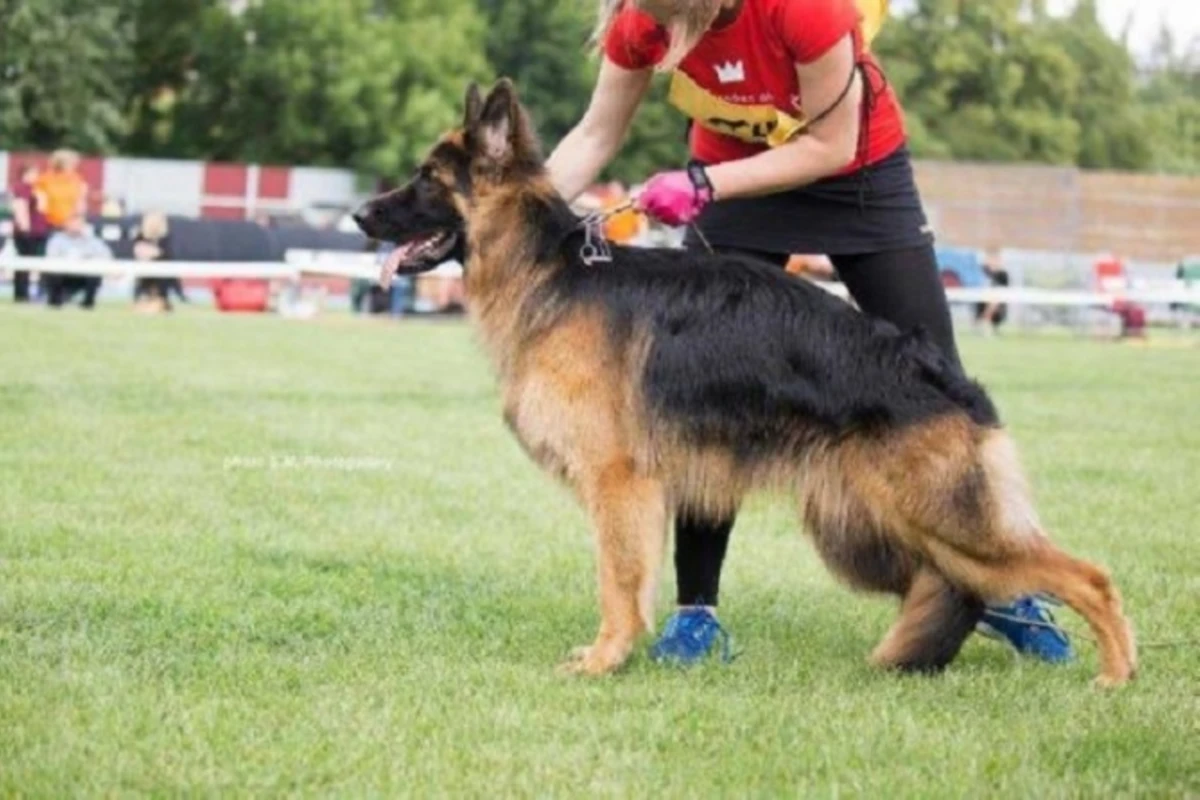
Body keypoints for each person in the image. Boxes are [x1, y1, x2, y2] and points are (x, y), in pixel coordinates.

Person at [544, 0, 1072, 666]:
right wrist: (525, 213)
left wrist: (703, 182)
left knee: (938, 384)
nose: (648, 15)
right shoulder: (641, 19)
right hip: (736, 188)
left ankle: (1002, 584)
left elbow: (831, 146)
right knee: (701, 392)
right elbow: (595, 134)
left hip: (857, 177)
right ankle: (696, 614)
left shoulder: (803, 7)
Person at [44, 211, 111, 308]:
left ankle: (88, 304)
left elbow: (106, 255)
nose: (76, 226)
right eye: (74, 223)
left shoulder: (92, 241)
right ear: (66, 224)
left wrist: (89, 261)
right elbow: (51, 258)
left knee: (95, 275)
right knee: (52, 274)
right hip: (64, 274)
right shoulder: (57, 240)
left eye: (79, 224)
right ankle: (55, 302)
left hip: (83, 275)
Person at [9, 163, 49, 302]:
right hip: (28, 232)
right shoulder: (21, 188)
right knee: (24, 264)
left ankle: (28, 293)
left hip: (38, 230)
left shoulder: (35, 189)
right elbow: (20, 208)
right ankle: (21, 294)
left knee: (33, 263)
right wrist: (25, 229)